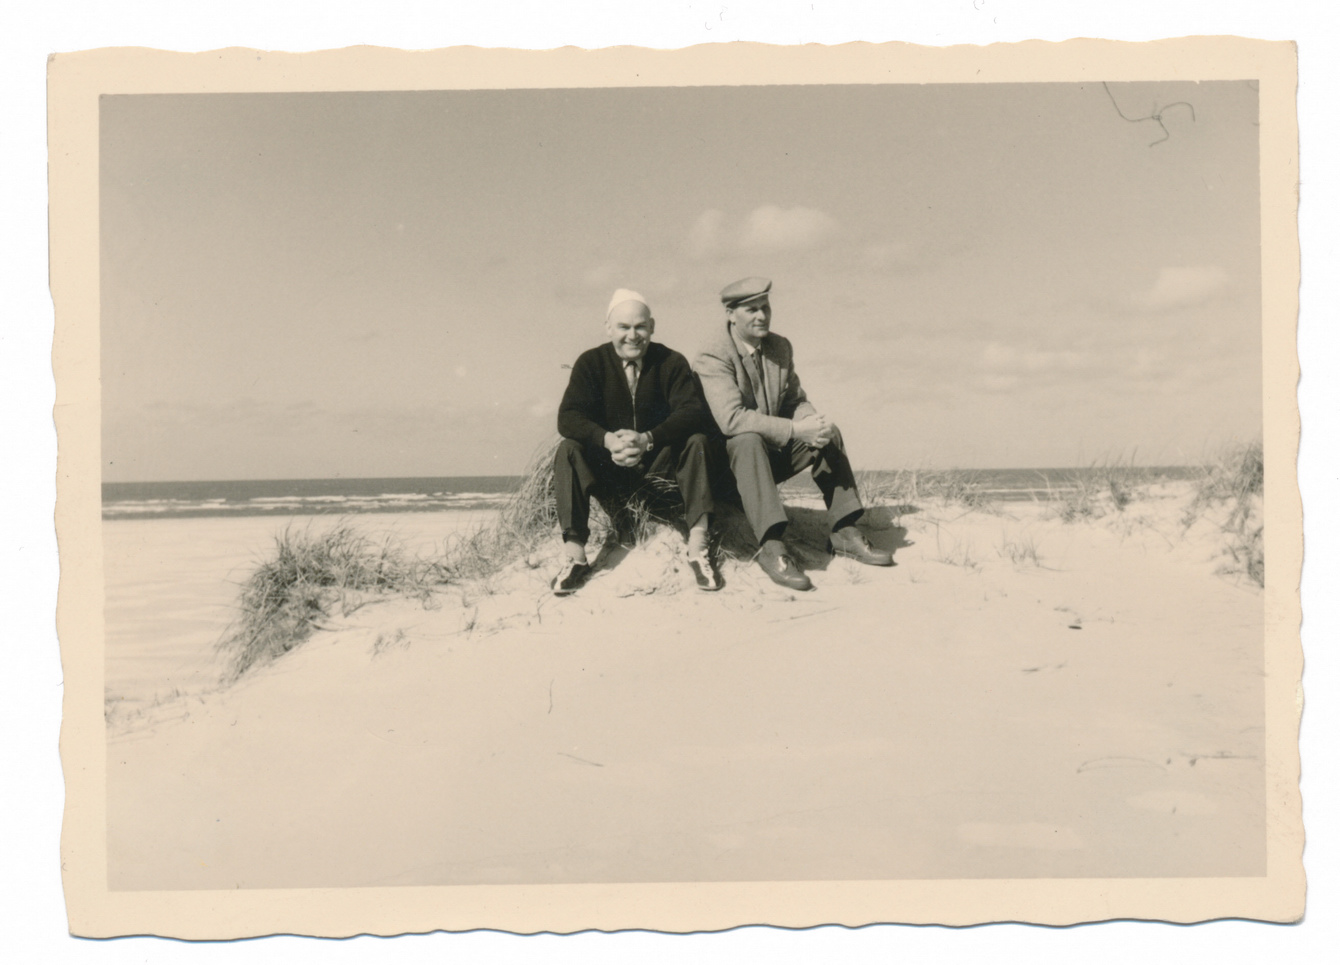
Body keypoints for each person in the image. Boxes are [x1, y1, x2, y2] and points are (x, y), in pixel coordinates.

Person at [693, 276, 893, 591]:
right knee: (746, 439)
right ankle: (771, 545)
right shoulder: (712, 354)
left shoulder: (779, 347)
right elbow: (731, 420)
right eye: (751, 310)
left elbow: (795, 401)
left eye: (765, 307)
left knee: (830, 431)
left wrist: (812, 422)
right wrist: (796, 429)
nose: (762, 316)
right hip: (728, 472)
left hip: (767, 457)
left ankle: (843, 529)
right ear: (731, 314)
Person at [551, 289, 720, 595]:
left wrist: (648, 439)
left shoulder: (671, 361)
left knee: (696, 441)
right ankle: (575, 556)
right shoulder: (591, 363)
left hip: (658, 471)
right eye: (623, 327)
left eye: (640, 327)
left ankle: (698, 547)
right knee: (569, 450)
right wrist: (606, 440)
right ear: (608, 328)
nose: (633, 336)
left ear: (652, 326)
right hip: (610, 472)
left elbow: (692, 411)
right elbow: (568, 417)